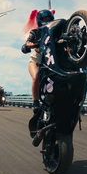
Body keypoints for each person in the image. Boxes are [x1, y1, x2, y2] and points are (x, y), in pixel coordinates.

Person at [21, 9, 55, 137]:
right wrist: (29, 45)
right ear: (39, 21)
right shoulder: (35, 32)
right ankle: (35, 103)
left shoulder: (56, 31)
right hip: (36, 60)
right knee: (36, 77)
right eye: (44, 20)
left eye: (48, 19)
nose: (47, 22)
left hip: (50, 61)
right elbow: (26, 45)